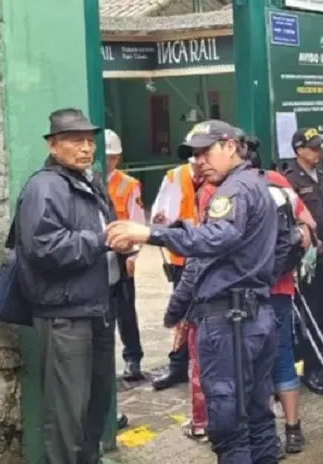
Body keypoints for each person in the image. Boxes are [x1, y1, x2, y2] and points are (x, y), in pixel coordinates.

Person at [106, 120, 279, 464]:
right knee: (258, 418)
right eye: (194, 154)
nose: (198, 161)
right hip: (255, 313)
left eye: (206, 151)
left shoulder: (233, 190)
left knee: (229, 426)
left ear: (230, 146)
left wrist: (150, 234)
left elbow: (216, 239)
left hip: (231, 322)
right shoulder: (258, 182)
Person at [14, 109, 124, 464]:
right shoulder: (43, 186)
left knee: (97, 403)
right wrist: (102, 240)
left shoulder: (88, 181)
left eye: (90, 142)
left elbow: (101, 233)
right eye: (76, 141)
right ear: (53, 145)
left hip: (97, 308)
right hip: (66, 316)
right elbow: (43, 248)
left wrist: (121, 244)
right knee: (66, 414)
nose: (86, 149)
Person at [238, 130, 313, 458]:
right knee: (282, 355)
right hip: (280, 286)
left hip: (242, 292)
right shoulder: (278, 181)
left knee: (253, 365)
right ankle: (293, 429)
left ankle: (263, 436)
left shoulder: (221, 188)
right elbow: (308, 226)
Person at [283, 127, 323, 395]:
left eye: (320, 147)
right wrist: (310, 238)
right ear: (299, 150)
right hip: (308, 264)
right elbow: (290, 218)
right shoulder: (290, 180)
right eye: (313, 147)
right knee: (311, 316)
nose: (318, 152)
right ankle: (311, 369)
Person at [148, 146, 205, 391]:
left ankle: (199, 363)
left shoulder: (220, 178)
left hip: (208, 255)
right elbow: (160, 213)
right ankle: (178, 365)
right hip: (181, 256)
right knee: (182, 312)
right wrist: (159, 222)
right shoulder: (175, 177)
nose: (198, 167)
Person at [104, 129, 145, 382]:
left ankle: (133, 358)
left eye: (110, 156)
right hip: (99, 252)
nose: (106, 160)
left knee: (125, 309)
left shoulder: (128, 185)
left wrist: (132, 257)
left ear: (116, 157)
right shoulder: (89, 180)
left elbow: (137, 221)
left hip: (121, 253)